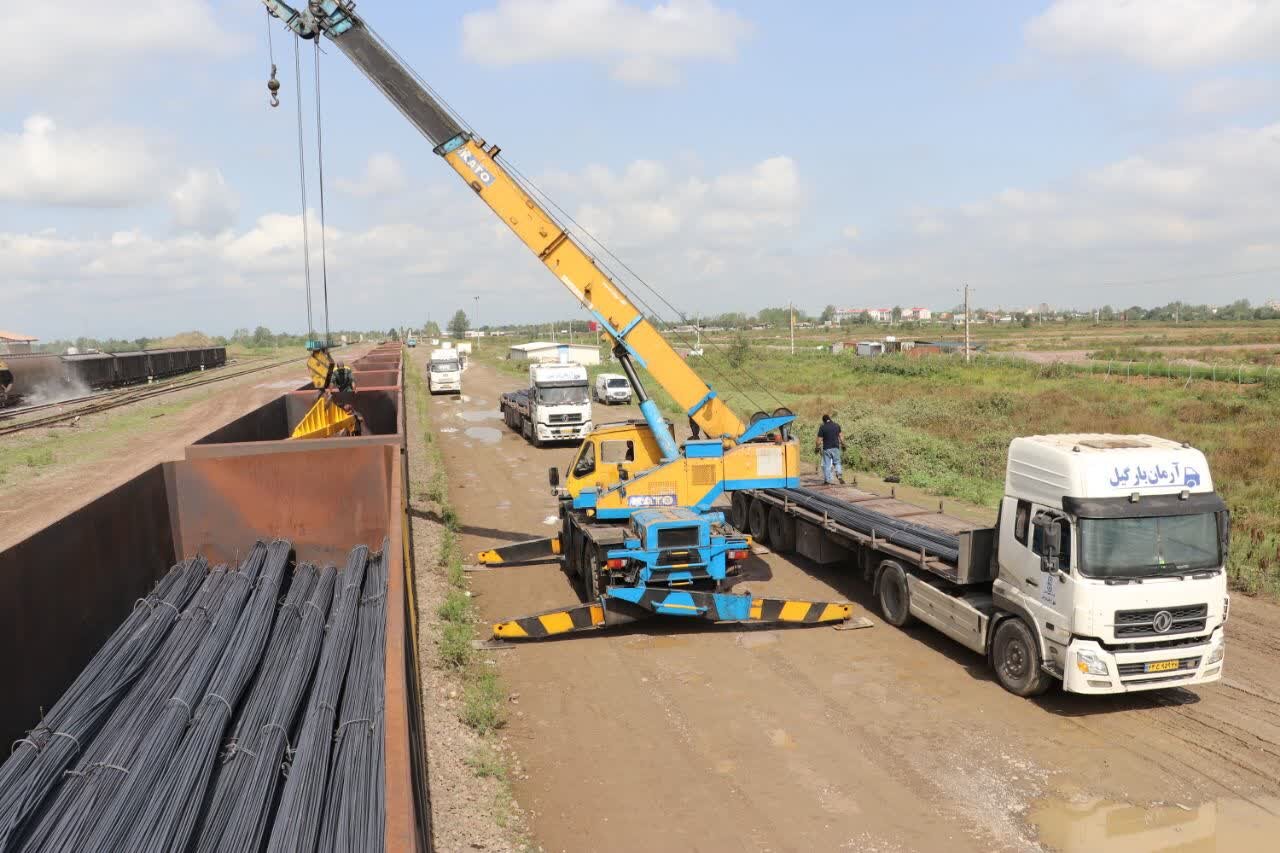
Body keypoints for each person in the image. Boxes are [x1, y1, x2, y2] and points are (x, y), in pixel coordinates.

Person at [815, 413, 845, 485]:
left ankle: (827, 481)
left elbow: (819, 440)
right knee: (837, 462)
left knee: (827, 465)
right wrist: (843, 444)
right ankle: (839, 475)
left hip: (827, 449)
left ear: (824, 421)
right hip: (836, 447)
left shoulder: (822, 427)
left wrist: (817, 447)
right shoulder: (836, 425)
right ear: (830, 419)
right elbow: (841, 436)